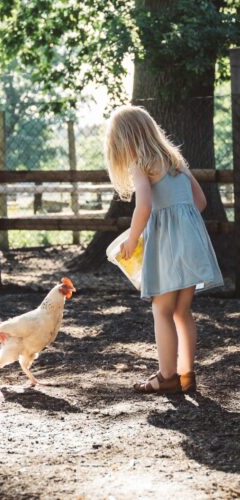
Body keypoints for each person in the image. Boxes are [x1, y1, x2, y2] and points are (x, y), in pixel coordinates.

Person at [105, 105, 223, 394]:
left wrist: (133, 239)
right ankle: (187, 374)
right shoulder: (175, 161)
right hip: (192, 241)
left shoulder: (139, 164)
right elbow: (201, 202)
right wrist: (179, 218)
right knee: (182, 311)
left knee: (162, 309)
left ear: (124, 140)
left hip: (169, 246)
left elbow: (143, 206)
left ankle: (167, 376)